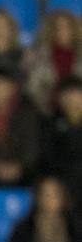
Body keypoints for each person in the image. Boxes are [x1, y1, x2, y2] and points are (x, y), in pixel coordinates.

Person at [24, 9, 82, 115]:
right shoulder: (39, 56)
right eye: (57, 27)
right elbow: (33, 88)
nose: (61, 31)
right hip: (48, 112)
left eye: (66, 27)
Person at [44, 77, 82, 216]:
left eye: (77, 95)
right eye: (67, 97)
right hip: (64, 182)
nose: (73, 101)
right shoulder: (52, 124)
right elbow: (49, 156)